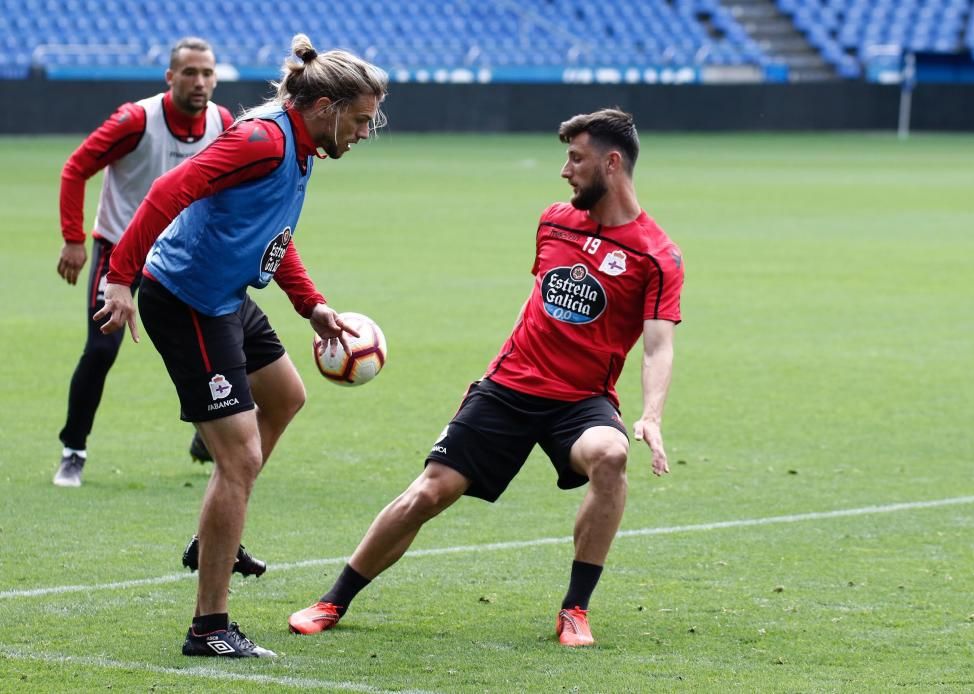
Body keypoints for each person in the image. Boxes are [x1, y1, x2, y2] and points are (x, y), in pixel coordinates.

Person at [288, 108, 685, 648]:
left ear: (611, 163)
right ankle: (334, 599)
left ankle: (574, 609)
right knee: (429, 493)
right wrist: (487, 386)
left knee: (611, 457)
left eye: (576, 158)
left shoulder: (657, 255)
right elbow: (540, 303)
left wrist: (650, 415)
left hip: (581, 401)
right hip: (509, 389)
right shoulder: (553, 221)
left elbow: (659, 346)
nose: (565, 171)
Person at [94, 34, 389, 658]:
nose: (366, 133)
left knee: (285, 396)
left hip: (227, 295)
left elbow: (270, 232)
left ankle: (213, 539)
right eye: (362, 120)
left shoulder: (303, 145)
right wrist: (119, 276)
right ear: (327, 106)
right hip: (187, 300)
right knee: (240, 459)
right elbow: (167, 191)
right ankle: (209, 628)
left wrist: (312, 305)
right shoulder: (261, 138)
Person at [54, 37, 233, 488]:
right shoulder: (136, 120)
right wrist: (74, 239)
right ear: (170, 77)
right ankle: (72, 451)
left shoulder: (222, 122)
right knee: (100, 349)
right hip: (118, 251)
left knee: (216, 344)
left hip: (181, 258)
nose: (200, 82)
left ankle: (205, 436)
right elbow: (75, 168)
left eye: (207, 73)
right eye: (190, 73)